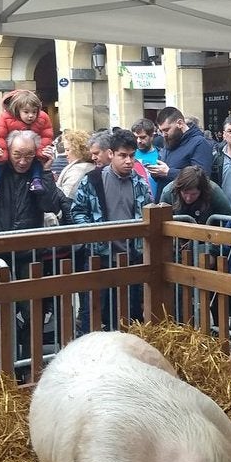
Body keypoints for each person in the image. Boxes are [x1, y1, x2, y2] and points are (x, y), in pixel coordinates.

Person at [71, 129, 153, 333]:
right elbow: (78, 211)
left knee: (128, 313)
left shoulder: (140, 183)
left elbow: (149, 211)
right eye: (123, 155)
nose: (128, 161)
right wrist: (93, 235)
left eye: (132, 156)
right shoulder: (92, 180)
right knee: (95, 312)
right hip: (99, 257)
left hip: (130, 256)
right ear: (111, 154)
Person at [0, 89, 55, 177]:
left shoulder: (42, 118)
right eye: (26, 112)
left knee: (37, 164)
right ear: (17, 110)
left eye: (34, 112)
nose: (31, 115)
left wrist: (41, 153)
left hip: (33, 157)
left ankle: (36, 179)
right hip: (8, 161)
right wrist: (2, 155)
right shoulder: (5, 118)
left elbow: (46, 136)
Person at [146, 107, 215, 191]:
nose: (164, 134)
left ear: (180, 123)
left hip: (186, 201)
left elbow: (203, 177)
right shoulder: (170, 140)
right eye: (161, 131)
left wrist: (168, 172)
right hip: (164, 200)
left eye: (166, 130)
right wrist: (156, 172)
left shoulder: (199, 143)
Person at [160, 165, 229, 224]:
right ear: (179, 189)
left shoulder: (214, 191)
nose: (188, 198)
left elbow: (228, 220)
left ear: (202, 191)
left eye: (194, 194)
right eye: (185, 193)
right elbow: (160, 221)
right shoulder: (168, 192)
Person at [56, 129, 94, 200]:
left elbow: (67, 197)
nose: (65, 154)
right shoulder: (89, 166)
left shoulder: (78, 170)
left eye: (68, 150)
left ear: (78, 150)